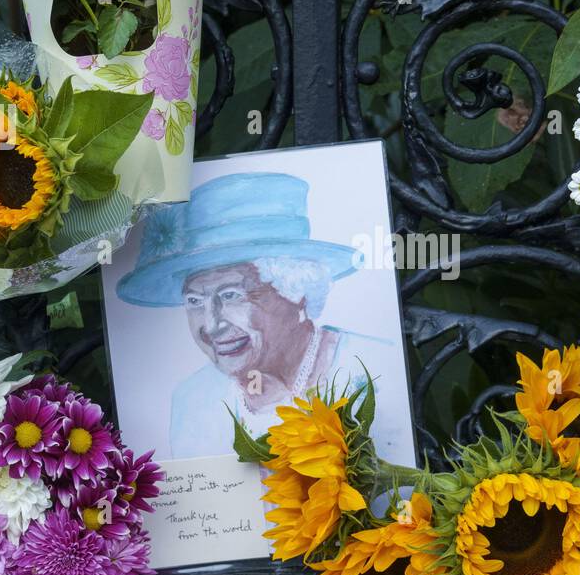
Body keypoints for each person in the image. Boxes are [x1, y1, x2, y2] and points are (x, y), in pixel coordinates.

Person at [115, 172, 395, 456]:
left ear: (296, 288)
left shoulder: (374, 371)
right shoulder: (193, 401)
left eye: (230, 295)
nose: (211, 325)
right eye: (194, 300)